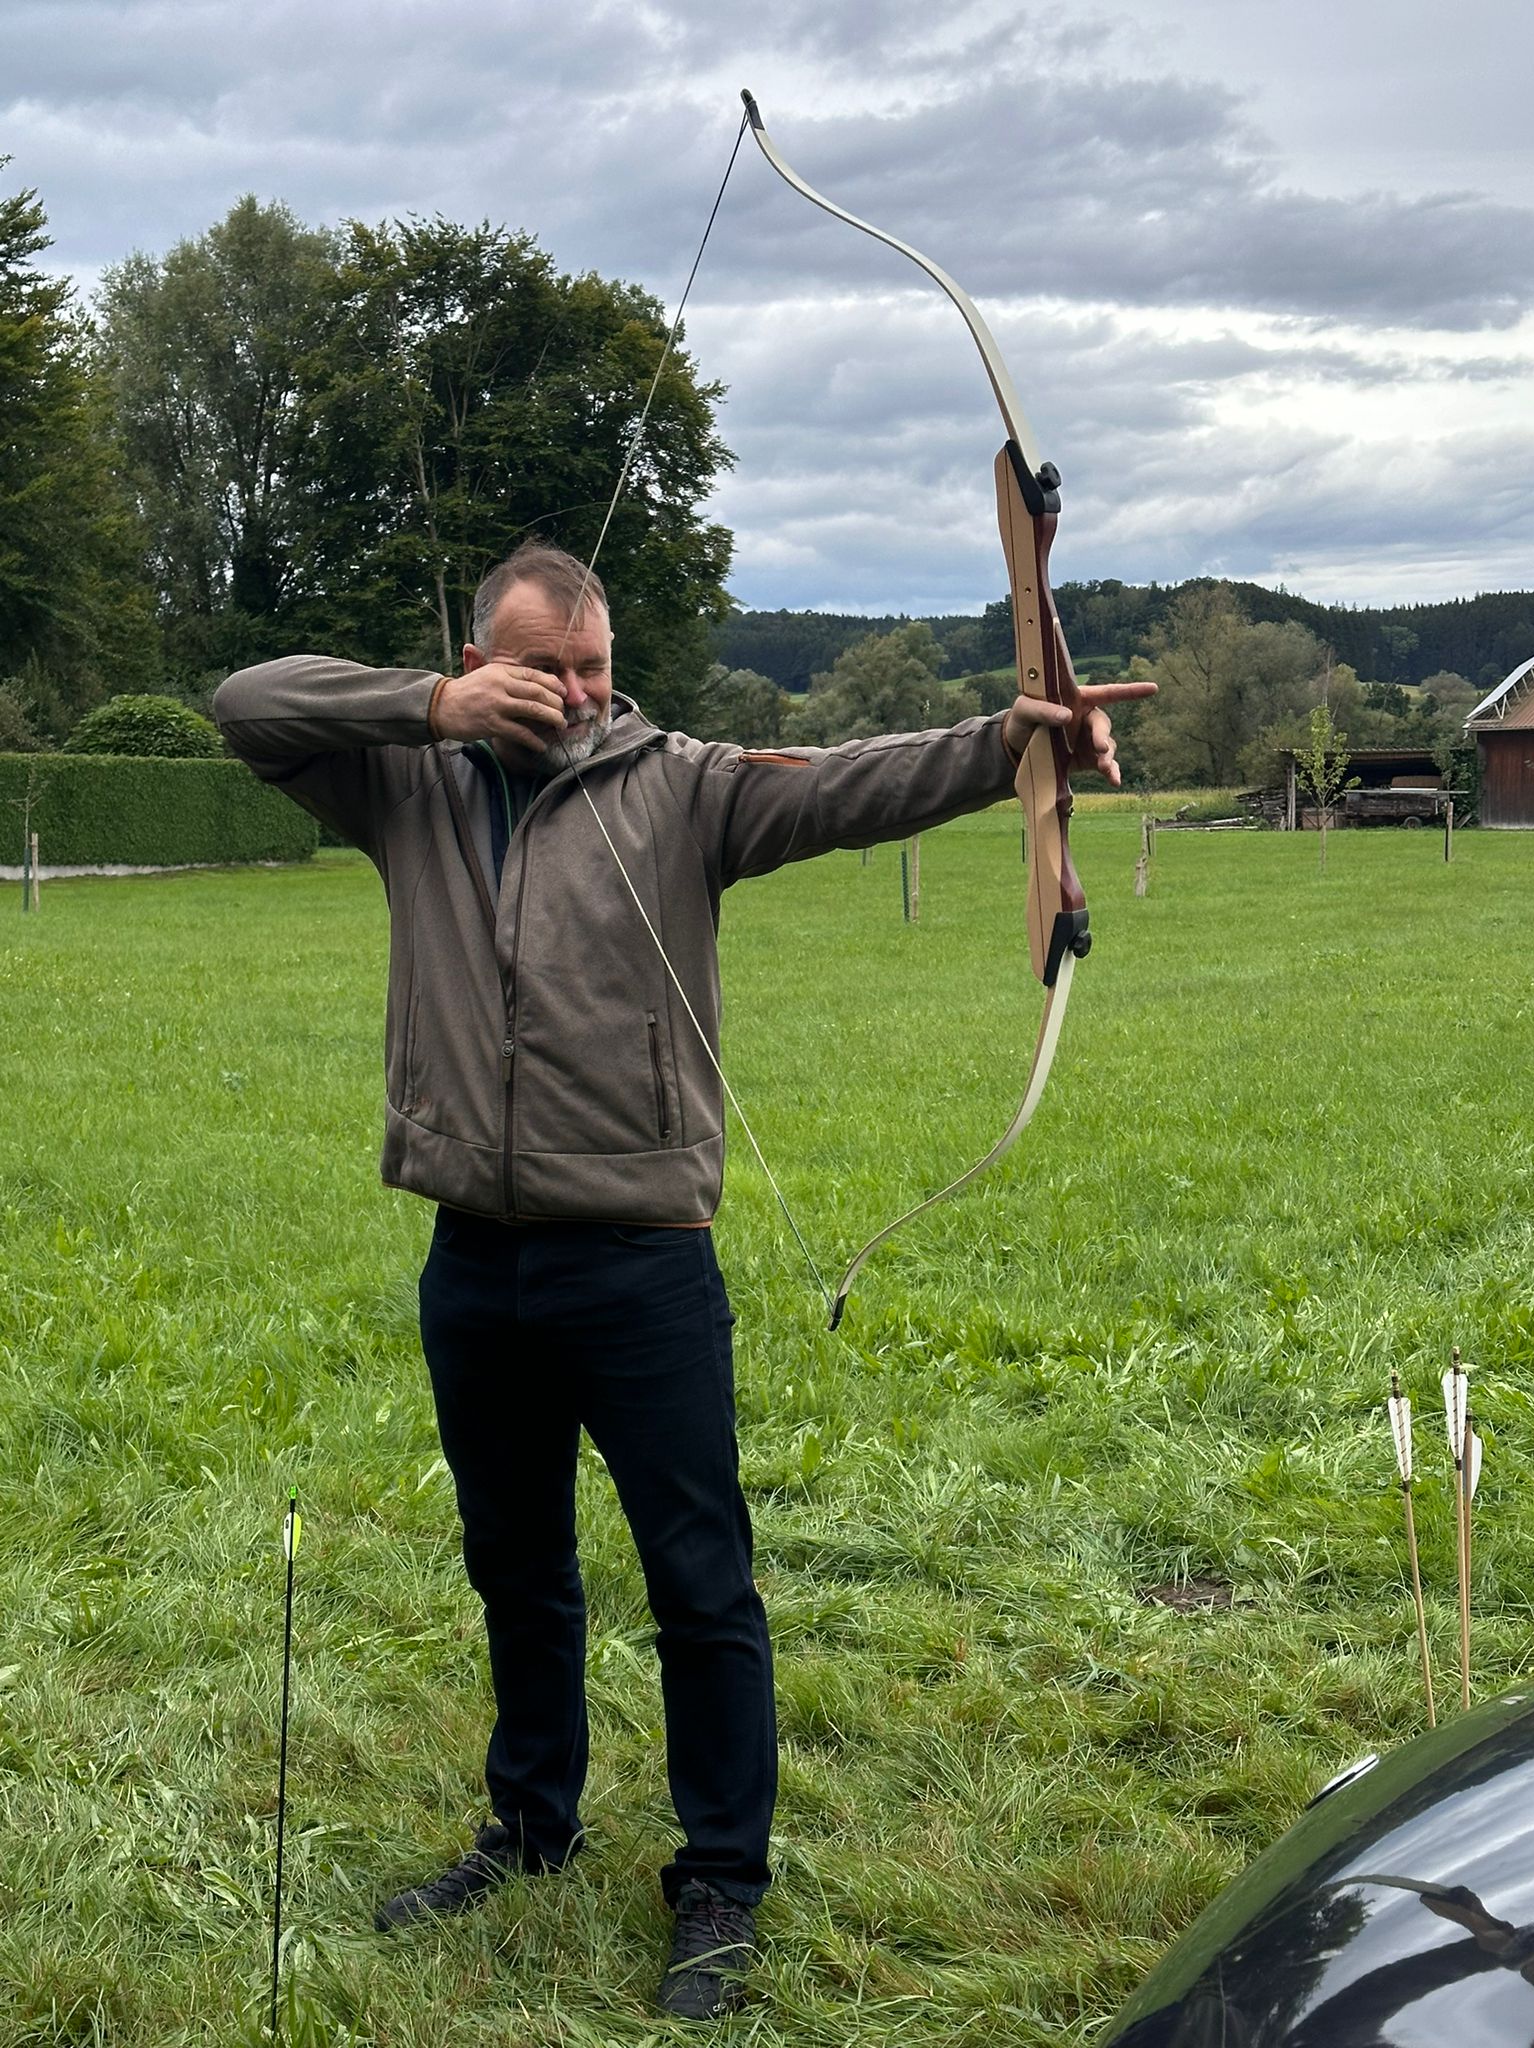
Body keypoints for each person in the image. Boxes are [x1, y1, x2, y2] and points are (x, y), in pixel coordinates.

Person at [213, 539, 1145, 2020]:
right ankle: (528, 1825)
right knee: (516, 1567)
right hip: (475, 1258)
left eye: (592, 663)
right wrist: (431, 710)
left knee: (700, 1582)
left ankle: (721, 1876)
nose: (578, 692)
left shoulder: (680, 785)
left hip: (643, 1260)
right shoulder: (402, 781)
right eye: (545, 667)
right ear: (482, 660)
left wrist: (1012, 741)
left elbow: (846, 784)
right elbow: (246, 700)